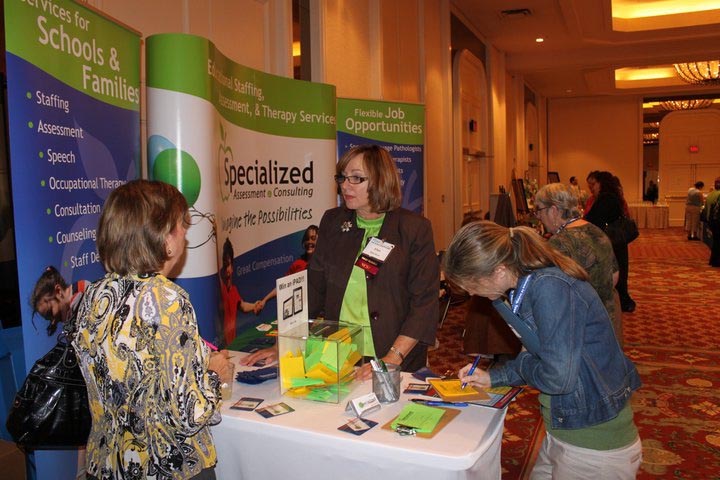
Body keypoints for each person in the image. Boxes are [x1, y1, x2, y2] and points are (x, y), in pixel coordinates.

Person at [444, 220, 642, 479]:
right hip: (565, 430)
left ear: (499, 271)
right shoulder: (523, 289)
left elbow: (557, 377)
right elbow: (539, 353)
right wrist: (495, 376)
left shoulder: (549, 288)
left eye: (470, 284)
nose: (470, 293)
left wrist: (524, 364)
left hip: (592, 444)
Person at [73, 179, 233, 480]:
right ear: (165, 238)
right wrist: (214, 374)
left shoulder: (92, 296)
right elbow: (189, 415)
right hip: (165, 468)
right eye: (181, 224)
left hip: (106, 465)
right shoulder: (168, 300)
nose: (185, 233)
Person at [534, 183, 622, 344]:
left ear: (554, 210)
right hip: (606, 320)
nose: (538, 216)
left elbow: (550, 292)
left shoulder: (559, 243)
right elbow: (614, 276)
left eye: (539, 210)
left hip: (579, 327)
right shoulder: (596, 231)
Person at [585, 171, 636, 313]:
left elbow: (594, 219)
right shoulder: (612, 196)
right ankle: (623, 301)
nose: (591, 188)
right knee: (620, 270)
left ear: (601, 183)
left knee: (616, 271)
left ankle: (623, 301)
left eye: (593, 185)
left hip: (611, 240)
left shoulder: (606, 198)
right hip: (616, 240)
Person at [256, 224, 319, 309]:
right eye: (307, 239)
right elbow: (283, 286)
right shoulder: (298, 264)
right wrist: (265, 300)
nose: (309, 242)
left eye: (313, 238)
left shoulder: (325, 265)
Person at [219, 237, 263, 346]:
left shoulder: (233, 290)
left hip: (232, 345)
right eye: (224, 266)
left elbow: (242, 305)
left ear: (232, 267)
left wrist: (254, 305)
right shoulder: (219, 289)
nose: (227, 270)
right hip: (220, 347)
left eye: (228, 265)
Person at [30, 265, 89, 336]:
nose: (53, 322)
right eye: (49, 319)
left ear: (58, 291)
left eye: (50, 312)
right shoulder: (70, 320)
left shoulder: (86, 295)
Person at [703, 177, 720, 267]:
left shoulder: (710, 194)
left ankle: (713, 261)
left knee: (716, 241)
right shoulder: (719, 194)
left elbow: (706, 209)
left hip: (711, 221)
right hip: (717, 220)